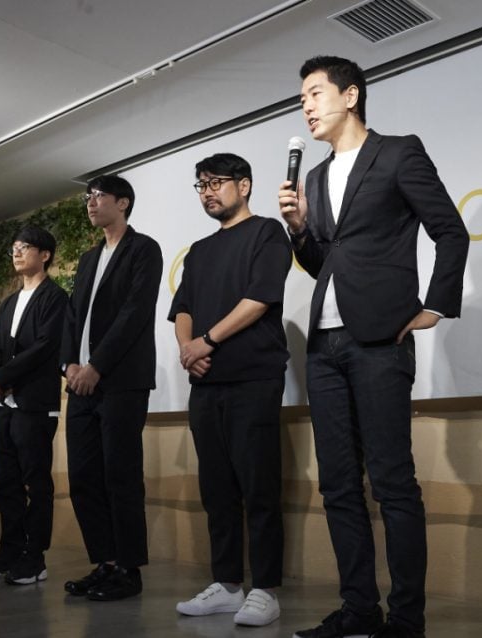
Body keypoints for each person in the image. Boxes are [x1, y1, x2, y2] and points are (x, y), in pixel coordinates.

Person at [278, 56, 469, 638]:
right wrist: (299, 230)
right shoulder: (314, 179)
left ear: (351, 95)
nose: (306, 107)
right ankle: (358, 609)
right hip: (325, 347)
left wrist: (436, 304)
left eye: (314, 94)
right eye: (301, 98)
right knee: (338, 485)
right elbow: (326, 263)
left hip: (381, 340)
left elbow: (450, 230)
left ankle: (406, 619)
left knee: (392, 482)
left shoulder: (398, 153)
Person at [170, 153, 291, 627]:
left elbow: (259, 299)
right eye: (201, 185)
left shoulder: (267, 233)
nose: (207, 192)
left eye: (216, 182)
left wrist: (207, 341)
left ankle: (266, 589)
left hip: (253, 377)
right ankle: (226, 584)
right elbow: (182, 308)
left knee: (259, 486)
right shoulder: (199, 251)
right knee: (216, 489)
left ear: (244, 186)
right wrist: (188, 348)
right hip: (206, 382)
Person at [60, 175, 163, 601]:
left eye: (99, 196)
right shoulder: (88, 259)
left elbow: (134, 313)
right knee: (83, 476)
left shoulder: (144, 249)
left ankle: (128, 569)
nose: (91, 202)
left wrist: (97, 366)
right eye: (88, 196)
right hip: (80, 383)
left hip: (120, 381)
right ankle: (104, 562)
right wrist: (69, 364)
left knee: (120, 475)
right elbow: (73, 316)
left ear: (123, 203)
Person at [0, 225, 68, 585]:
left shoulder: (55, 297)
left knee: (35, 483)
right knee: (6, 482)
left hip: (35, 404)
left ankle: (35, 558)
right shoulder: (10, 301)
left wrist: (3, 376)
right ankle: (9, 552)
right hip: (6, 404)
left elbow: (44, 347)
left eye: (25, 247)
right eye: (15, 247)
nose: (17, 252)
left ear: (45, 255)